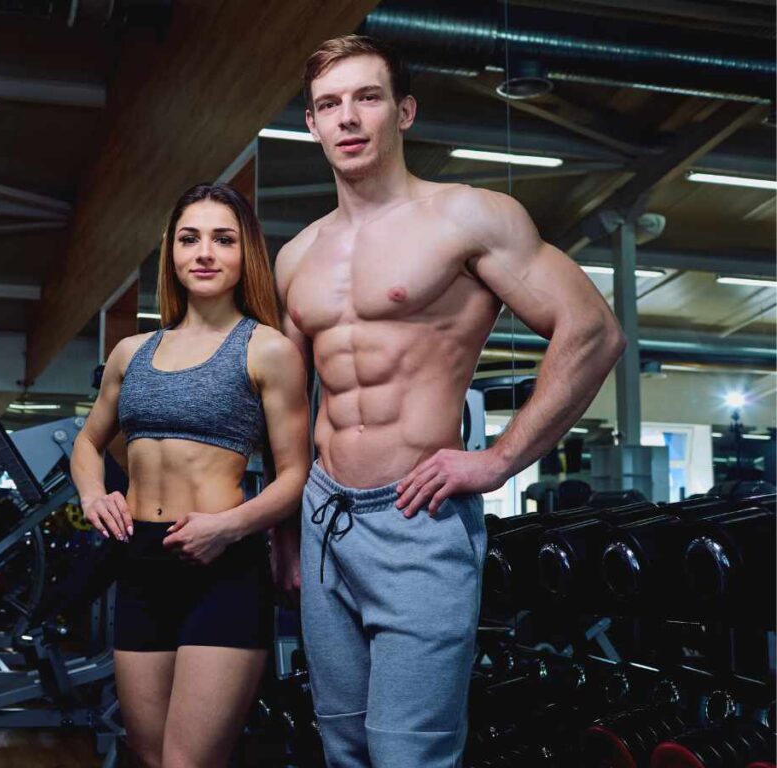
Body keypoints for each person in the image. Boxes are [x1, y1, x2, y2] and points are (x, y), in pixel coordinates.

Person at [271, 35, 626, 767]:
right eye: (328, 105)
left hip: (417, 517)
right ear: (310, 124)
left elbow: (592, 330)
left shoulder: (468, 217)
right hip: (322, 518)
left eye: (367, 98)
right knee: (342, 744)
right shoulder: (297, 255)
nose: (348, 118)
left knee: (408, 753)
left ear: (403, 111)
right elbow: (288, 403)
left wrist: (499, 461)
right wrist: (282, 524)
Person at [71, 182, 310, 768]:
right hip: (140, 563)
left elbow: (295, 474)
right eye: (189, 238)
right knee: (151, 758)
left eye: (222, 239)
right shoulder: (132, 351)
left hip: (220, 566)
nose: (204, 252)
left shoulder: (267, 349)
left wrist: (229, 528)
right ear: (171, 254)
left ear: (243, 254)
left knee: (187, 762)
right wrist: (93, 493)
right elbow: (87, 441)